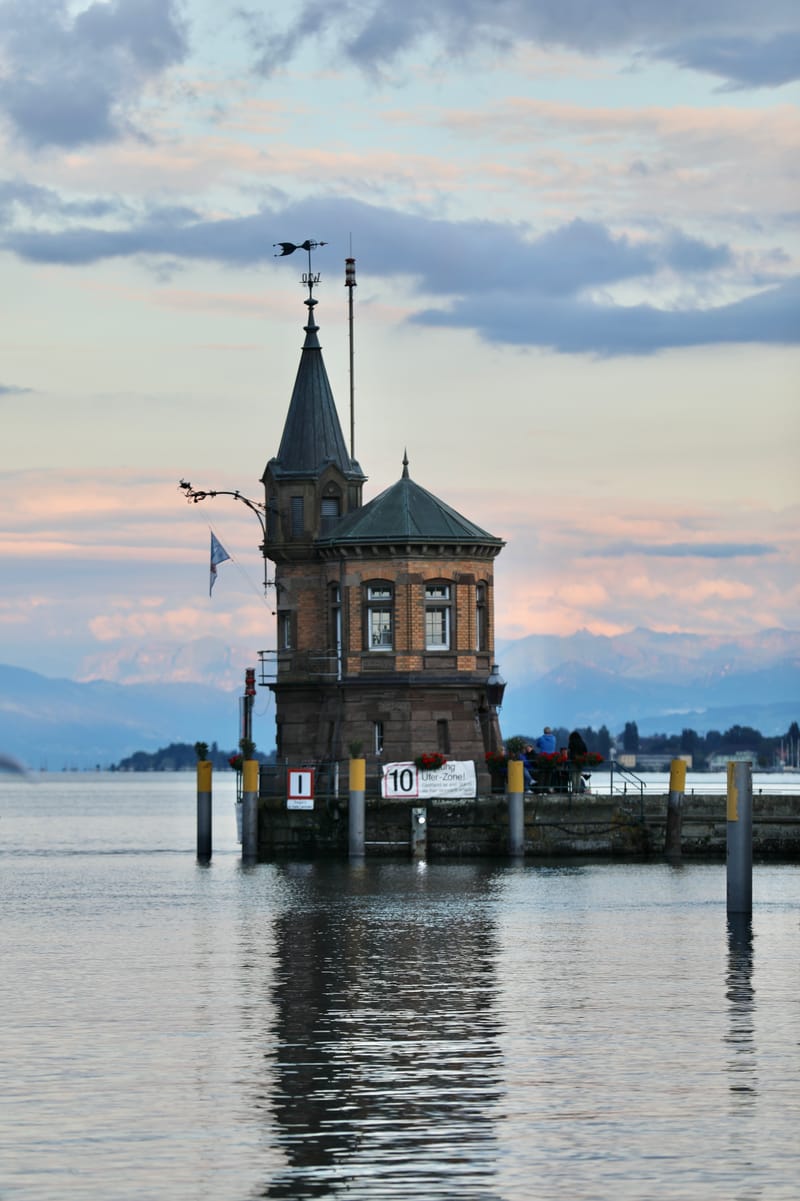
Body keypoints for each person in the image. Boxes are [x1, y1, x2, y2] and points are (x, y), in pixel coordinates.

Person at [568, 729, 588, 794]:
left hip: (574, 761)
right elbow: (585, 751)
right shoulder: (582, 742)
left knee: (574, 776)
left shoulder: (571, 742)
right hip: (581, 761)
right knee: (579, 776)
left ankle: (574, 790)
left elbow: (570, 752)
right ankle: (578, 790)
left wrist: (571, 757)